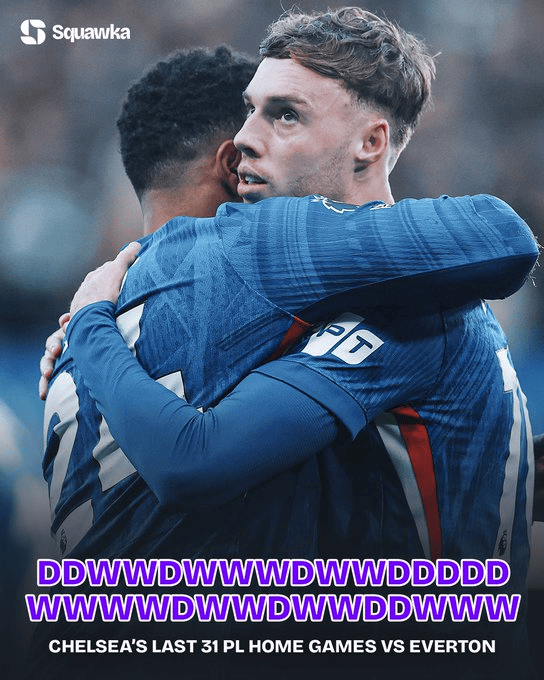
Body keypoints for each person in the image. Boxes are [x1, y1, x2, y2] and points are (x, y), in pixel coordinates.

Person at [37, 10, 537, 680]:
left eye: (285, 115)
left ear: (371, 142)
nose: (244, 138)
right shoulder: (368, 301)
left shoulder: (409, 310)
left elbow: (193, 460)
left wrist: (93, 326)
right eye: (250, 110)